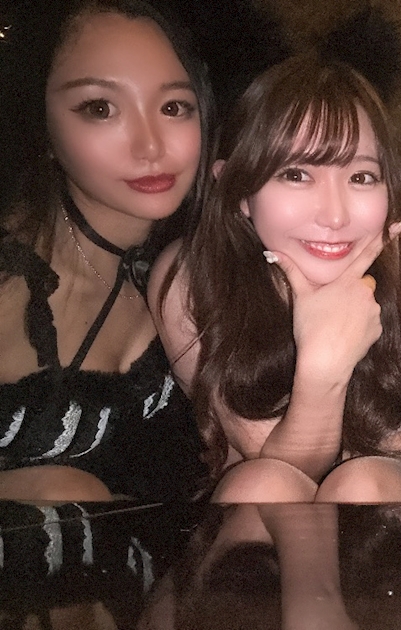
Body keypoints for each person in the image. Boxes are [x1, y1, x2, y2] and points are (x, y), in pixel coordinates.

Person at [149, 53, 401, 503]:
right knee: (259, 486)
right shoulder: (196, 276)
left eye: (362, 177)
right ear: (239, 190)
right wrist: (325, 366)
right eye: (296, 174)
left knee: (358, 486)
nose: (335, 216)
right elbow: (282, 474)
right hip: (265, 518)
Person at [0, 0, 212, 501]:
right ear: (39, 123)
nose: (150, 146)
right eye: (100, 108)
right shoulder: (11, 279)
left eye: (173, 107)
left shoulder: (213, 266)